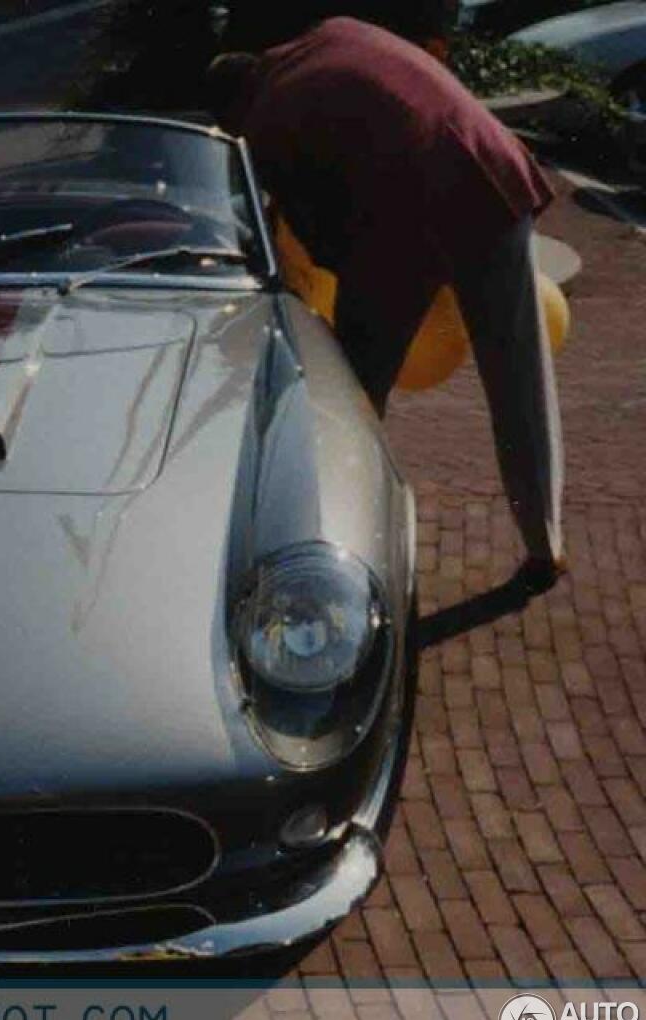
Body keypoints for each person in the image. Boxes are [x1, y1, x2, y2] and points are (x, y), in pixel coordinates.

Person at [207, 17, 565, 591]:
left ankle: (330, 530)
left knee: (350, 392)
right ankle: (545, 545)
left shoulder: (266, 115)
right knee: (519, 377)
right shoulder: (332, 31)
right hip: (490, 166)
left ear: (235, 110)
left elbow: (314, 227)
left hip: (415, 210)